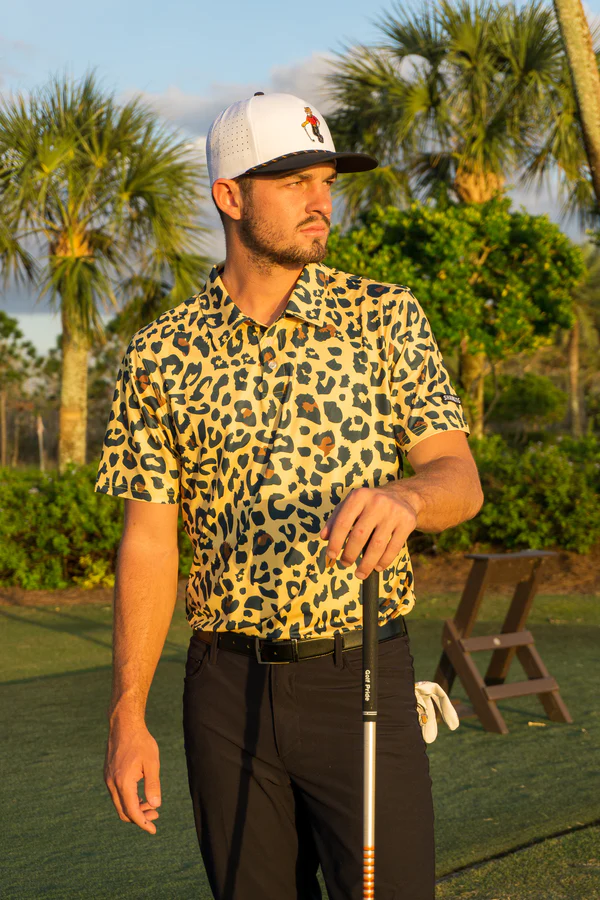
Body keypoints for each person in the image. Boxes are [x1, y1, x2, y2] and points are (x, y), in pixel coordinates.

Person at [95, 91, 484, 900]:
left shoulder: (384, 317)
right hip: (224, 693)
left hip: (359, 674)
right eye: (293, 181)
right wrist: (128, 713)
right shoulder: (160, 355)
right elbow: (150, 542)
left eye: (326, 181)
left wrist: (410, 499)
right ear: (229, 196)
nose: (320, 201)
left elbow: (459, 477)